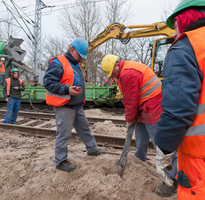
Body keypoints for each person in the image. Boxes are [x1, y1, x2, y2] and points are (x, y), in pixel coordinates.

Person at [154, 0, 205, 199]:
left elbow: (178, 108)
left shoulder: (185, 46)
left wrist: (164, 146)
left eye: (175, 25)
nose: (175, 33)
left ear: (186, 17)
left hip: (201, 151)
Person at [101, 54, 178, 196]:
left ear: (117, 64)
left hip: (152, 105)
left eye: (113, 72)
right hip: (144, 104)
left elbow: (130, 100)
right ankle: (140, 158)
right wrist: (132, 117)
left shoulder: (127, 73)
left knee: (160, 143)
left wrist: (129, 119)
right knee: (141, 136)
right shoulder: (125, 70)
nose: (113, 76)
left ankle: (172, 178)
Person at [43, 38, 106, 173]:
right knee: (64, 134)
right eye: (80, 56)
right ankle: (60, 161)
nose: (81, 59)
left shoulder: (76, 65)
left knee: (84, 129)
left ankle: (92, 150)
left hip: (76, 105)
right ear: (72, 50)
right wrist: (67, 89)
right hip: (64, 106)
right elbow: (48, 83)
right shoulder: (58, 63)